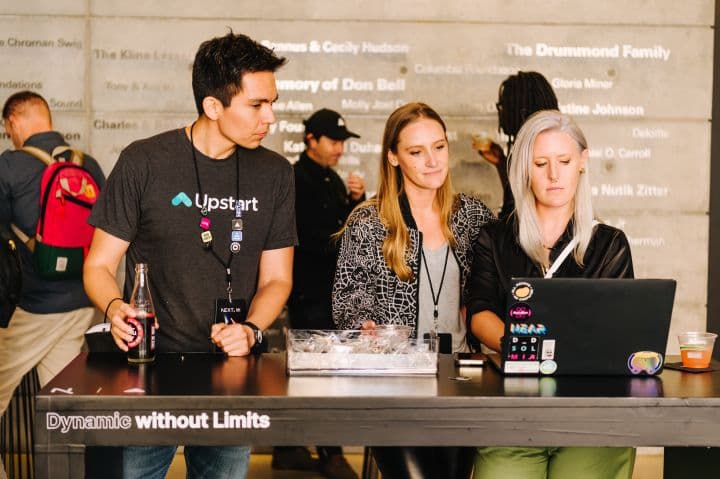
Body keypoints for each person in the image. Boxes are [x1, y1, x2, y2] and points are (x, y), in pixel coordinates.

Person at [83, 31, 295, 478]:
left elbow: (278, 278)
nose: (270, 117)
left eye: (272, 102)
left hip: (231, 375)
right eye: (257, 105)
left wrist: (252, 330)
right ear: (213, 106)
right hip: (147, 371)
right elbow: (99, 264)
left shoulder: (275, 173)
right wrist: (115, 306)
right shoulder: (144, 162)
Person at [467, 110, 635, 479]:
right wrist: (517, 346)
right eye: (540, 163)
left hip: (592, 418)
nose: (554, 175)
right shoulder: (494, 239)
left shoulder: (609, 244)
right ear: (524, 168)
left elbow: (616, 332)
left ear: (583, 162)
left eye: (564, 161)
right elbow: (479, 312)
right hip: (512, 412)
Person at [333, 102, 494, 479]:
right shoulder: (369, 222)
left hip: (461, 380)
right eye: (416, 152)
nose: (433, 161)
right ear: (393, 157)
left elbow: (497, 288)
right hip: (395, 384)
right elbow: (348, 301)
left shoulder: (472, 216)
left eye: (439, 147)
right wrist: (365, 329)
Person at [0, 90, 105, 426]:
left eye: (7, 129)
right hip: (80, 303)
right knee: (62, 409)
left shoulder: (9, 166)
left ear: (13, 122)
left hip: (30, 309)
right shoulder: (87, 164)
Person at [272, 109, 364, 479]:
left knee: (314, 373)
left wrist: (356, 202)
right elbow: (314, 239)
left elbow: (340, 229)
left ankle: (288, 448)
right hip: (310, 294)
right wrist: (352, 217)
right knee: (320, 374)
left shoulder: (330, 179)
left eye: (343, 142)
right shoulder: (296, 180)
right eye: (334, 141)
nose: (340, 149)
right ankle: (331, 454)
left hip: (329, 292)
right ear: (311, 139)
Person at [471, 71, 558, 219]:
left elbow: (519, 216)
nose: (501, 112)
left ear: (521, 112)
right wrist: (502, 164)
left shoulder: (539, 151)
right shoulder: (548, 144)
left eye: (505, 106)